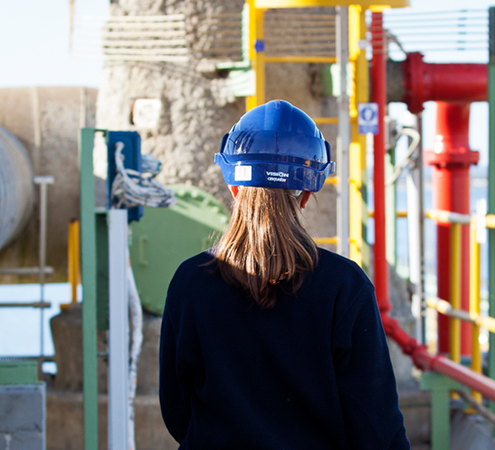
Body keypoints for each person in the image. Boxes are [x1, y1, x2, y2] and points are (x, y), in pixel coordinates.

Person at [159, 100, 409, 449]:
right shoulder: (344, 286)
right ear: (307, 194)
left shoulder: (191, 282)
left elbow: (176, 407)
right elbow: (375, 424)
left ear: (233, 185)